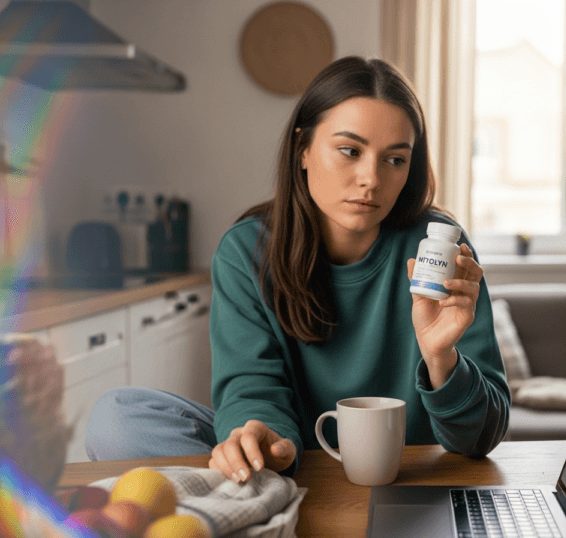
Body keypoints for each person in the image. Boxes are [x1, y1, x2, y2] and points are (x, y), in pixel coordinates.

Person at [84, 56, 510, 481]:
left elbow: (480, 439)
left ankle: (250, 500)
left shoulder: (440, 250)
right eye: (350, 151)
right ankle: (259, 488)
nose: (371, 178)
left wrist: (442, 358)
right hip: (290, 461)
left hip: (406, 477)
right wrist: (259, 439)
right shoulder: (247, 251)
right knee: (116, 417)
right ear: (302, 149)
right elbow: (251, 386)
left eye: (394, 160)